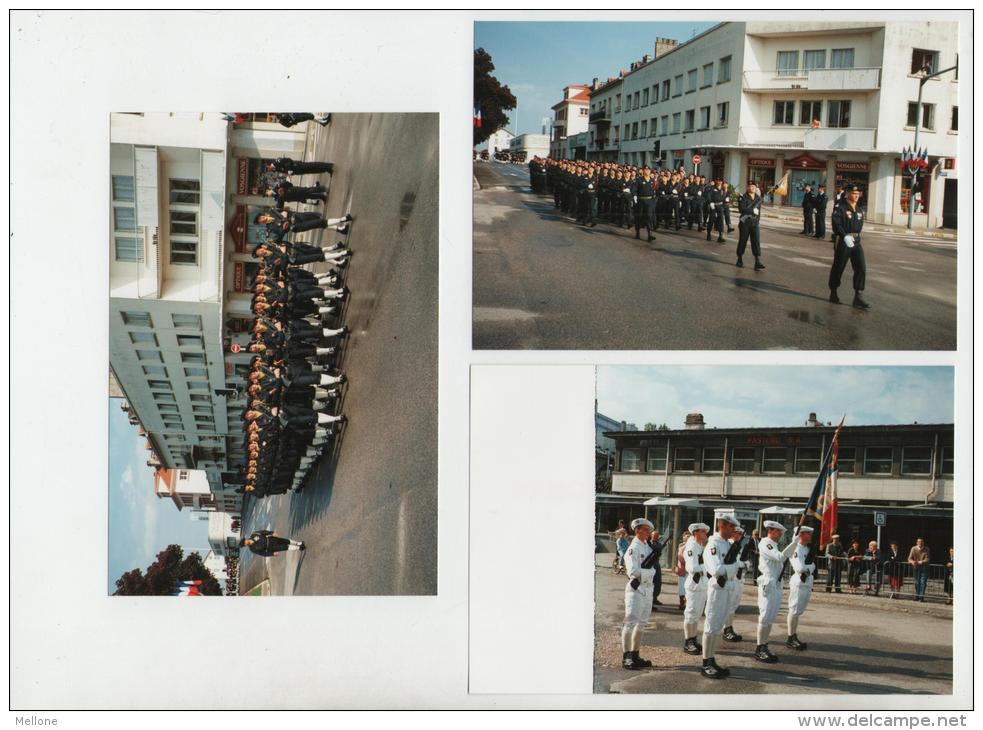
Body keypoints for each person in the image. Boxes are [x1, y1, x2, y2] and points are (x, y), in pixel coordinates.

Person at [700, 513, 741, 679]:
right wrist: (732, 569)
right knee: (711, 626)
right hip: (718, 589)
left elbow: (734, 565)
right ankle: (706, 663)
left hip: (727, 588)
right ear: (722, 525)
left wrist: (731, 569)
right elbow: (716, 570)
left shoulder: (726, 544)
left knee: (717, 627)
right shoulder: (713, 545)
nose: (733, 530)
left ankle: (712, 658)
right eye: (731, 526)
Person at [754, 520, 797, 663]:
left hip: (776, 582)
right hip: (768, 582)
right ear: (771, 530)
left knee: (771, 617)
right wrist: (794, 543)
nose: (780, 534)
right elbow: (780, 557)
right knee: (765, 616)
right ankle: (759, 648)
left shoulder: (773, 544)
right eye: (778, 531)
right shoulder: (765, 543)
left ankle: (764, 645)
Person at [621, 518, 659, 670]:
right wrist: (650, 573)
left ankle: (635, 654)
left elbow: (652, 569)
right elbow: (633, 572)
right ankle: (626, 656)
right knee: (630, 622)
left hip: (647, 589)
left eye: (649, 530)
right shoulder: (633, 549)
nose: (649, 533)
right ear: (637, 531)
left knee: (642, 623)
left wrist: (649, 573)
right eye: (646, 530)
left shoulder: (647, 547)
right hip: (636, 590)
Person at [828, 183, 869, 309]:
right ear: (848, 193)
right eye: (854, 194)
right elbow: (836, 223)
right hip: (844, 240)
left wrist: (855, 236)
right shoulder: (840, 206)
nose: (856, 196)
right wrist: (844, 235)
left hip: (856, 240)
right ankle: (833, 292)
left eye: (858, 194)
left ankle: (858, 295)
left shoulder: (859, 208)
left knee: (861, 267)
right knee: (839, 267)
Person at [786, 525, 817, 651]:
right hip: (799, 583)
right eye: (808, 533)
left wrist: (809, 568)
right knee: (794, 610)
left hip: (806, 582)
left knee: (798, 611)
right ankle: (790, 637)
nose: (810, 536)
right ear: (801, 534)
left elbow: (810, 567)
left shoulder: (806, 549)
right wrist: (811, 568)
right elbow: (799, 568)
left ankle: (794, 635)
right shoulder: (796, 549)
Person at [682, 522, 710, 656]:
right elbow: (692, 567)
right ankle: (688, 641)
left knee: (697, 614)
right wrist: (708, 568)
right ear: (696, 533)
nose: (706, 534)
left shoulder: (700, 546)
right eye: (703, 532)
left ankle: (693, 638)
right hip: (694, 584)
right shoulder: (692, 546)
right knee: (691, 613)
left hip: (702, 584)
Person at [722, 524, 753, 643]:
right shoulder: (728, 545)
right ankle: (726, 629)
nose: (738, 536)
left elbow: (746, 562)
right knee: (729, 606)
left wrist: (745, 564)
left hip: (740, 579)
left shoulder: (741, 546)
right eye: (736, 533)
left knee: (734, 605)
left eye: (740, 534)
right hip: (731, 579)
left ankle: (729, 628)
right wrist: (740, 565)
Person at [736, 182, 765, 270]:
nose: (751, 188)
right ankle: (739, 259)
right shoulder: (743, 197)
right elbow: (742, 209)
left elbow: (758, 212)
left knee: (756, 241)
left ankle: (757, 261)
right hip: (745, 222)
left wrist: (757, 221)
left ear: (756, 187)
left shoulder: (758, 198)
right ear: (747, 187)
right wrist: (752, 211)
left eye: (753, 186)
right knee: (743, 240)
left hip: (754, 223)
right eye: (749, 186)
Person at [241, 529, 305, 556]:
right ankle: (299, 548)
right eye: (244, 544)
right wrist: (272, 554)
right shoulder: (252, 549)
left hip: (271, 539)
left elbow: (263, 532)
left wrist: (271, 533)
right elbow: (263, 553)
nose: (245, 543)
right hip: (271, 547)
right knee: (285, 547)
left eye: (244, 542)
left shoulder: (254, 534)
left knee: (286, 541)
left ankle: (298, 543)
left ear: (245, 540)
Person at [674, 530, 692, 610]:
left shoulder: (693, 545)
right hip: (681, 569)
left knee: (689, 587)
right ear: (683, 537)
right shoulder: (681, 545)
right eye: (686, 536)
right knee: (681, 587)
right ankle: (681, 602)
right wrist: (675, 566)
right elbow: (676, 556)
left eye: (689, 536)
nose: (688, 538)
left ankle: (688, 603)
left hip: (689, 570)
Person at [908, 538, 930, 602]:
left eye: (921, 542)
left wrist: (920, 562)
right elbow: (909, 558)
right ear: (916, 542)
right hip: (916, 568)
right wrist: (912, 562)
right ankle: (917, 595)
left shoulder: (927, 549)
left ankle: (921, 596)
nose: (920, 543)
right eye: (918, 542)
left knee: (923, 582)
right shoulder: (913, 548)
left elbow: (927, 559)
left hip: (924, 568)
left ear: (923, 543)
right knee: (917, 582)